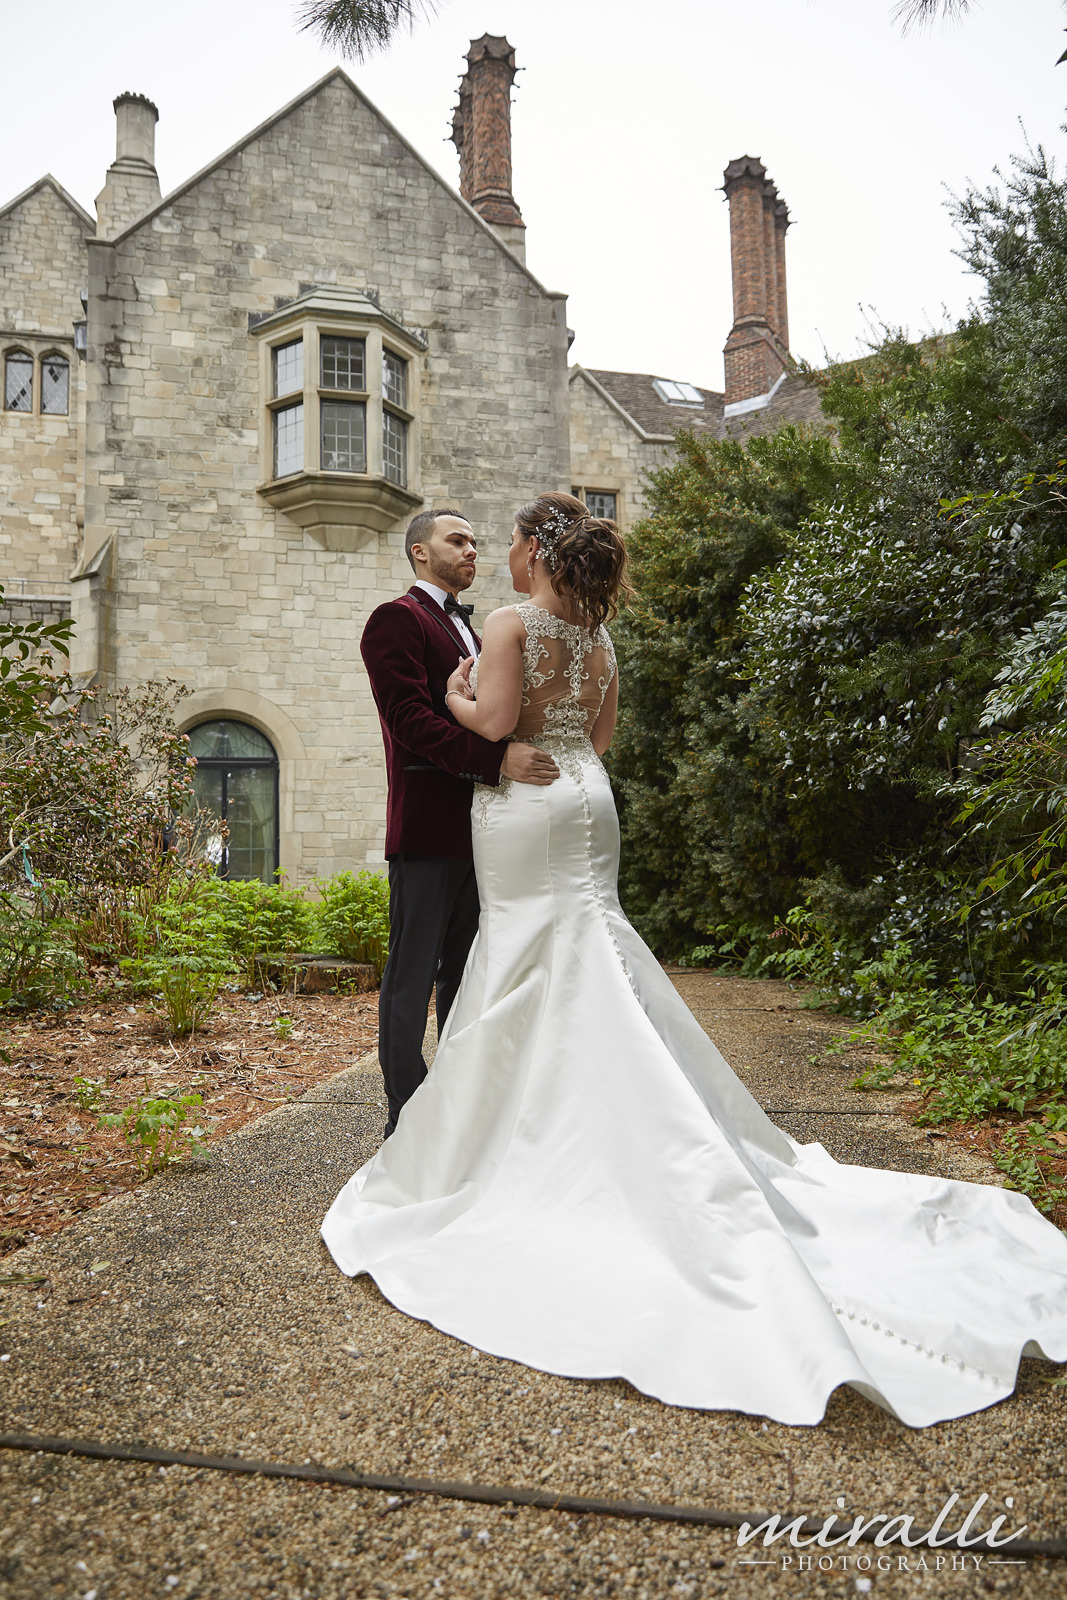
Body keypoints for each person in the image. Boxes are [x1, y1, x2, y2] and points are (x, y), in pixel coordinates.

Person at [326, 492, 1067, 1428]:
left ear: (534, 552)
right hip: (587, 800)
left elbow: (494, 721)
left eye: (503, 540)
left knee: (530, 957)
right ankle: (533, 1111)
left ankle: (511, 1137)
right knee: (584, 946)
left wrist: (458, 694)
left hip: (528, 807)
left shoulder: (510, 625)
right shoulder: (598, 639)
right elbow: (595, 741)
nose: (492, 553)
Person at [359, 507, 559, 1137]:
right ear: (421, 553)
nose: (472, 549)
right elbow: (412, 725)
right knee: (410, 976)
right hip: (427, 825)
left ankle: (458, 1108)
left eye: (476, 541)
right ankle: (408, 1119)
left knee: (465, 976)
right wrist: (498, 761)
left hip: (486, 831)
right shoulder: (396, 620)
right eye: (457, 540)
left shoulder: (476, 630)